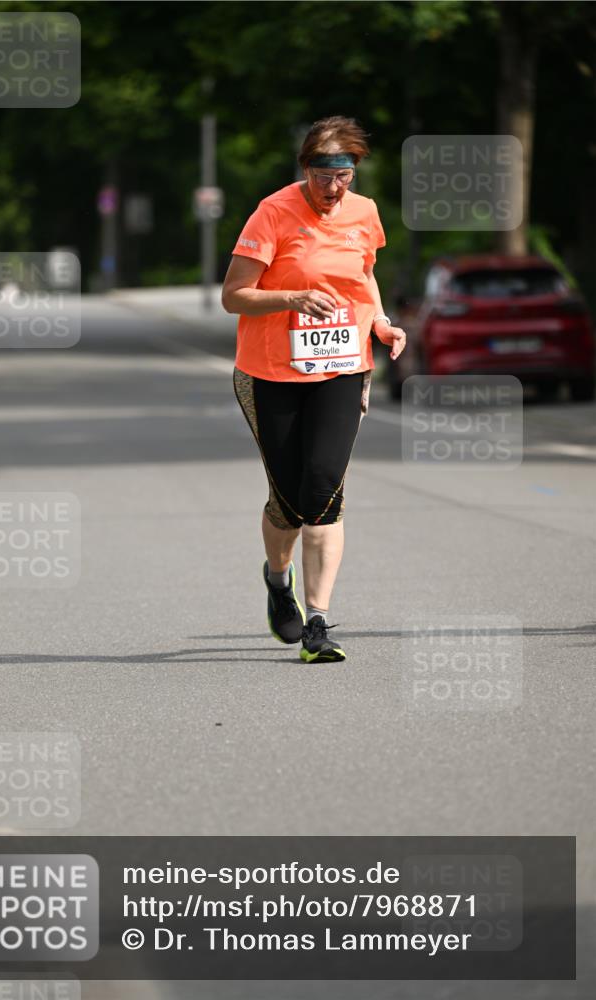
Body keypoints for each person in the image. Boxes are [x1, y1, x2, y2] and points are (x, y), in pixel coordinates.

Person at [222, 116, 406, 664]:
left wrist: (380, 324)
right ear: (306, 169)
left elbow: (363, 278)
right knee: (289, 501)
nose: (335, 188)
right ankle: (279, 581)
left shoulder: (364, 212)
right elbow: (235, 294)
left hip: (343, 366)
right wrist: (293, 298)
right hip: (270, 370)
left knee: (324, 488)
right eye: (326, 176)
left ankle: (318, 622)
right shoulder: (273, 212)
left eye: (345, 176)